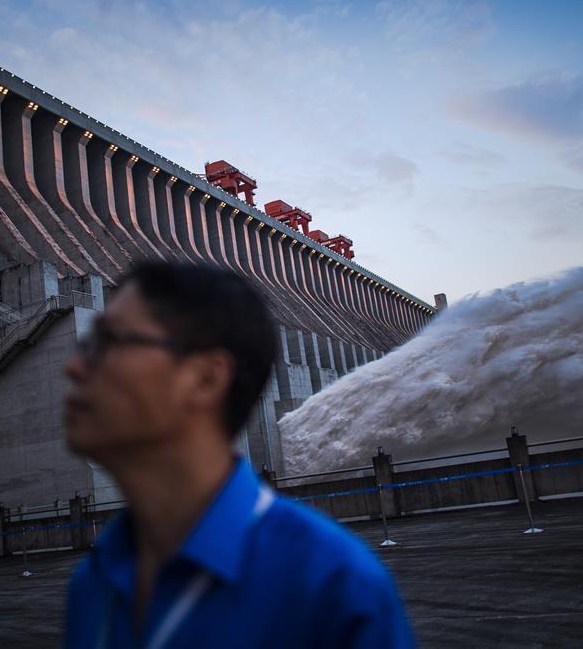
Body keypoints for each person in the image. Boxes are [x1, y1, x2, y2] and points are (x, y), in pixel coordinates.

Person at [62, 262, 415, 649]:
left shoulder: (330, 586)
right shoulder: (95, 579)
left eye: (109, 343)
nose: (75, 367)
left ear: (206, 378)